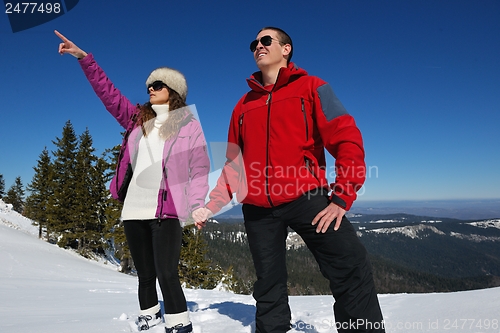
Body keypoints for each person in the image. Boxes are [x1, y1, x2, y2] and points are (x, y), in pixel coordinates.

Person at [193, 27, 385, 332]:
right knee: (268, 285)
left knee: (351, 267)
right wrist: (211, 204)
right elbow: (233, 165)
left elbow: (346, 138)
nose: (258, 46)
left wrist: (342, 195)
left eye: (266, 40)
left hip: (307, 199)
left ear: (286, 49)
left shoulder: (313, 87)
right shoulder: (242, 106)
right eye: (253, 43)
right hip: (257, 209)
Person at [56, 30, 209, 333]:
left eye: (158, 84)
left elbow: (199, 168)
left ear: (173, 91)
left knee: (166, 271)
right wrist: (84, 59)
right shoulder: (137, 118)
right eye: (149, 84)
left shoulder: (188, 126)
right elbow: (108, 93)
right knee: (144, 272)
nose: (150, 88)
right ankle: (149, 315)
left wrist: (197, 205)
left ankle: (179, 323)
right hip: (134, 208)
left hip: (166, 210)